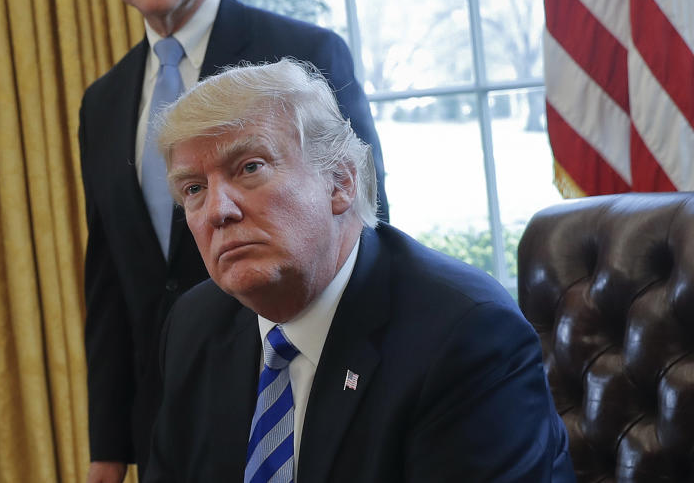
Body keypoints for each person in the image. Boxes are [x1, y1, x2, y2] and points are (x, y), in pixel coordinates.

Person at [80, 0, 389, 482]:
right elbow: (109, 284)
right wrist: (106, 450)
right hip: (169, 422)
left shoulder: (303, 57)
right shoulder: (102, 103)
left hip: (297, 394)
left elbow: (365, 226)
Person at [145, 60, 575, 482]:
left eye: (250, 167)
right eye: (194, 189)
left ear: (341, 182)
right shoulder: (194, 325)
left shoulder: (465, 335)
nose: (219, 210)